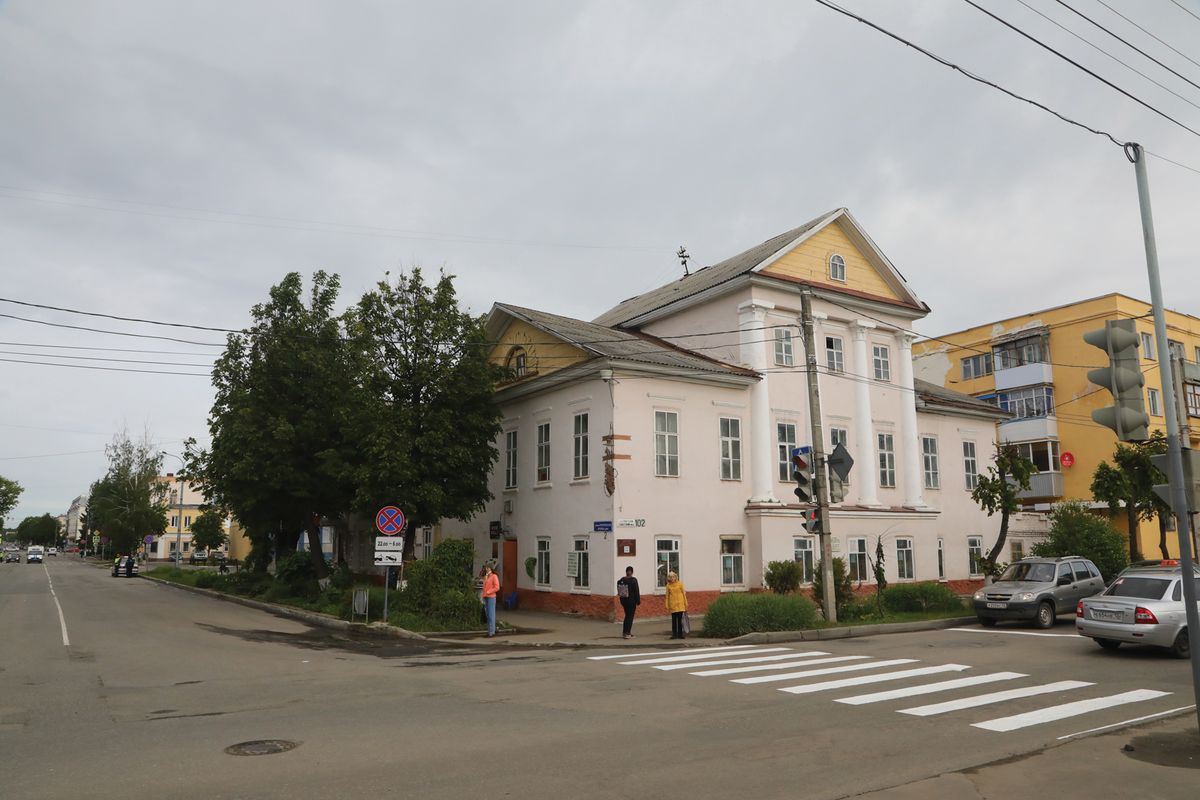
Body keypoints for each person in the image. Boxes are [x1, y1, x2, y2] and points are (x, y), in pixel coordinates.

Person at [616, 566, 641, 639]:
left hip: (624, 601)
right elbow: (636, 591)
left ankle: (624, 632)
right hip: (632, 602)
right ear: (632, 572)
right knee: (630, 617)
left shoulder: (621, 580)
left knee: (626, 616)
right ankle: (628, 633)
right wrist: (638, 601)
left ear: (626, 572)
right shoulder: (634, 580)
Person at [665, 570, 688, 639]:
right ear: (669, 578)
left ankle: (680, 634)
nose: (672, 578)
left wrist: (685, 603)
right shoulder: (668, 586)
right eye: (670, 577)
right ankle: (674, 635)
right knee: (674, 621)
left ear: (675, 577)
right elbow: (667, 596)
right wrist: (667, 605)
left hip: (680, 604)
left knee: (680, 620)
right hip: (673, 605)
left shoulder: (680, 584)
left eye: (673, 577)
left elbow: (684, 594)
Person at [481, 563, 500, 637]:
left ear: (491, 569)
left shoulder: (494, 576)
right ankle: (489, 631)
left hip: (491, 597)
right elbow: (484, 587)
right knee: (487, 615)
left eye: (488, 568)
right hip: (486, 597)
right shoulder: (486, 576)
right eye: (486, 568)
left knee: (491, 615)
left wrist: (489, 592)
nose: (487, 569)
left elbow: (497, 587)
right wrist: (485, 579)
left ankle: (491, 632)